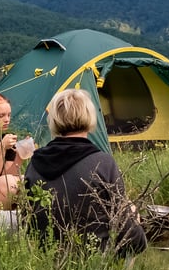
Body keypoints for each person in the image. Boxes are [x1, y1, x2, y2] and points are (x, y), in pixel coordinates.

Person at [24, 89, 147, 258]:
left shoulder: (35, 162)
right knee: (130, 210)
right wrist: (139, 236)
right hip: (92, 260)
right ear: (89, 117)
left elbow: (27, 218)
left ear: (53, 120)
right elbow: (125, 227)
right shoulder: (103, 163)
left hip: (44, 256)